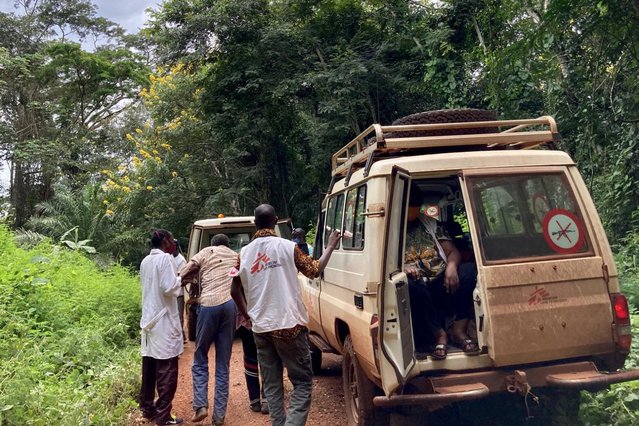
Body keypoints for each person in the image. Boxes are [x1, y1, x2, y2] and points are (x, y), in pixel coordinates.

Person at [231, 204, 341, 426]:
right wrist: (330, 246)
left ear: (255, 223)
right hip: (289, 325)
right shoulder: (288, 248)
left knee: (272, 387)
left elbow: (234, 289)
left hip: (261, 328)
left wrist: (247, 317)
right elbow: (315, 270)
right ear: (276, 221)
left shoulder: (243, 254)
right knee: (302, 384)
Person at [404, 190, 479, 360]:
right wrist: (404, 268)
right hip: (417, 282)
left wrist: (451, 267)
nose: (413, 211)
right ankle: (439, 335)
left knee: (468, 271)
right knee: (409, 285)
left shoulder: (431, 225)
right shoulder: (389, 229)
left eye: (416, 207)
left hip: (441, 280)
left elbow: (453, 252)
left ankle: (459, 330)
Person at [180, 234, 238, 426]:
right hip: (230, 306)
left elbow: (189, 269)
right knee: (223, 362)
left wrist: (180, 280)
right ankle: (219, 416)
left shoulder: (206, 252)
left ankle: (201, 406)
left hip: (209, 305)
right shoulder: (235, 255)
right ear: (227, 245)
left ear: (213, 244)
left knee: (201, 356)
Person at [139, 229, 184, 426]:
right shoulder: (165, 260)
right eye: (171, 239)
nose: (172, 242)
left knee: (149, 367)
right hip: (163, 322)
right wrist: (183, 278)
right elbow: (168, 288)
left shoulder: (145, 261)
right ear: (165, 241)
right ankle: (163, 415)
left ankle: (148, 409)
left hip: (150, 321)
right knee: (167, 370)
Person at [172, 239, 187, 344]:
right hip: (172, 292)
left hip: (179, 293)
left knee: (179, 317)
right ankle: (180, 337)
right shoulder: (170, 258)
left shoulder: (180, 260)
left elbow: (181, 276)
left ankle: (180, 339)